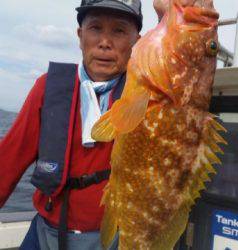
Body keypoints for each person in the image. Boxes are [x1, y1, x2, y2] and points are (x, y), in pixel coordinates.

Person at [0, 0, 143, 249]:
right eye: (95, 28)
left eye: (119, 31)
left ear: (137, 41)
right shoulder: (49, 87)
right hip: (45, 231)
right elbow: (8, 162)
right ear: (80, 36)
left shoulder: (146, 96)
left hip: (111, 238)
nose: (105, 42)